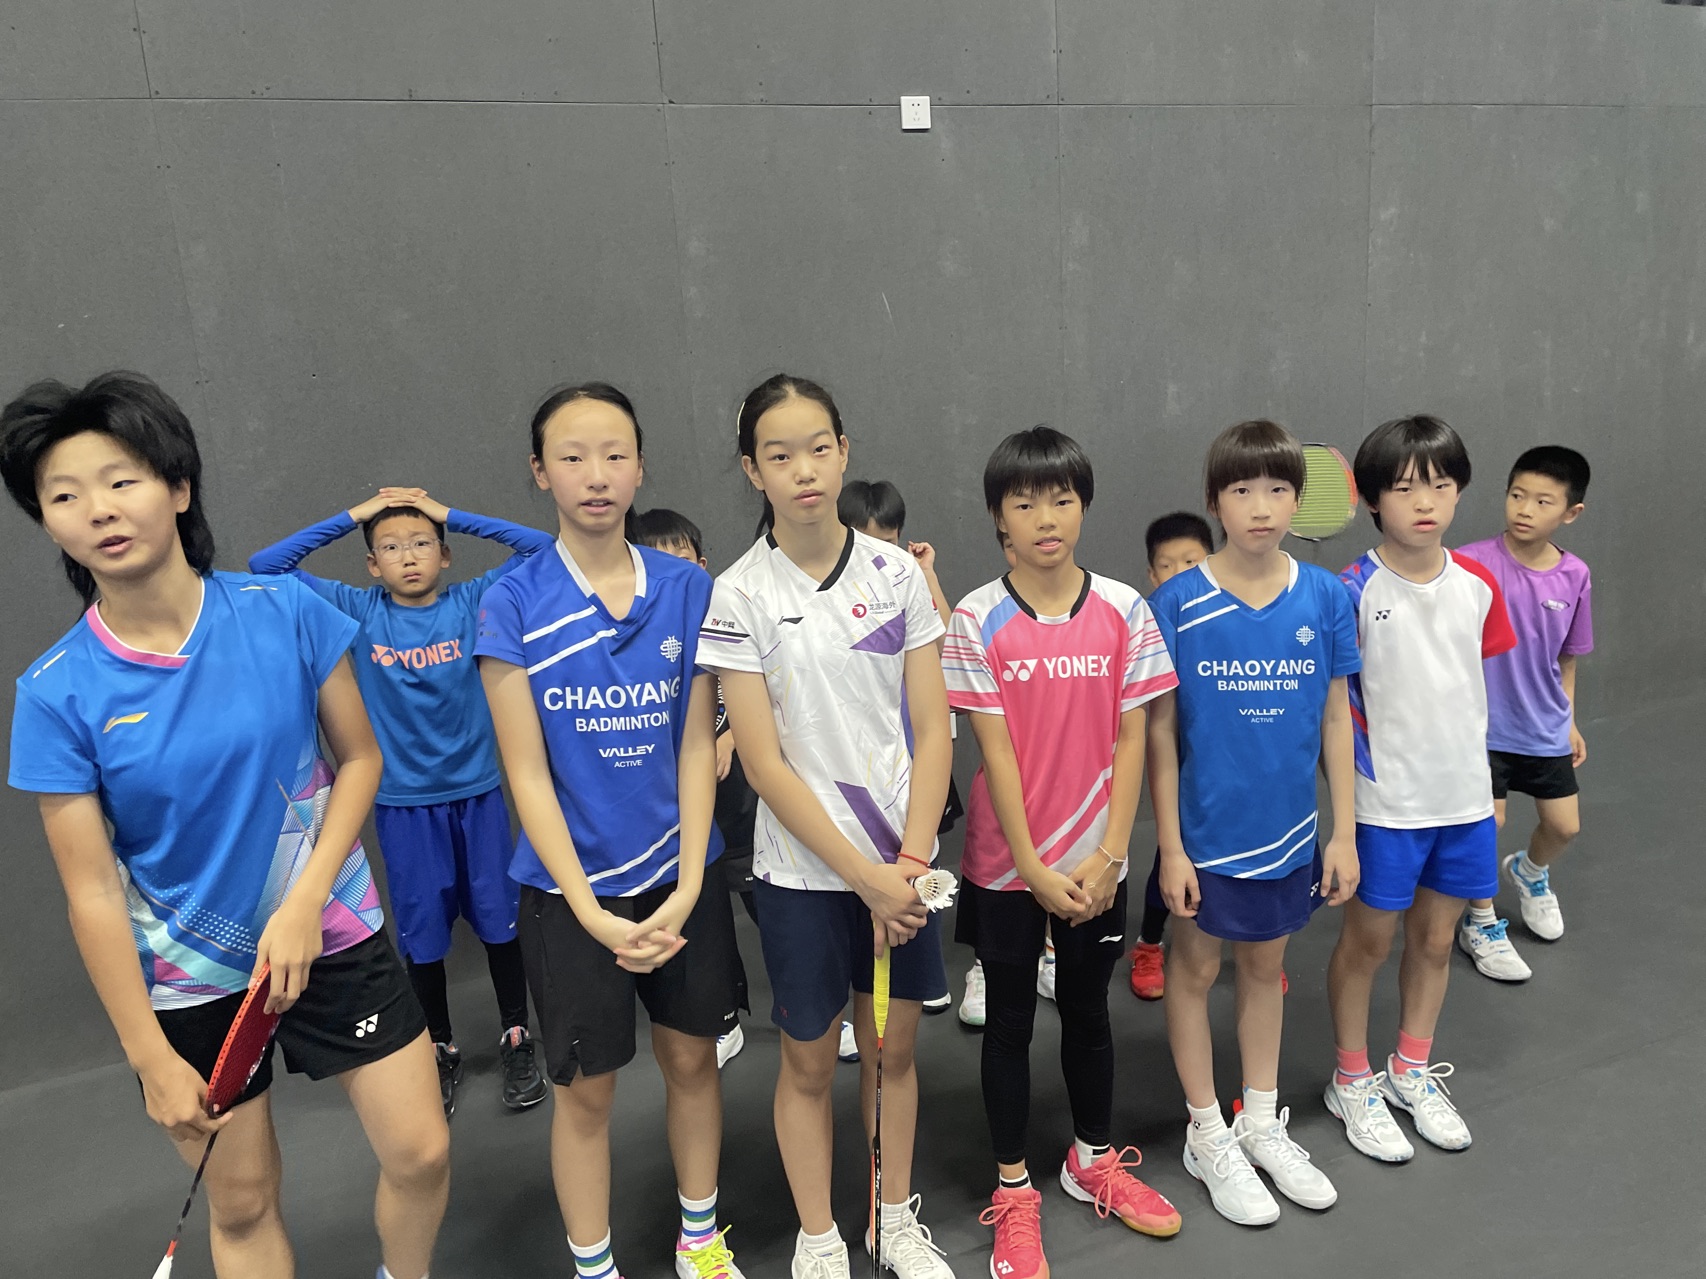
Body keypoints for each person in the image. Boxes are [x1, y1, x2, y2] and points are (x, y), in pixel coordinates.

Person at [3, 372, 447, 1279]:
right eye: (65, 495)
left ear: (177, 486)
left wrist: (306, 901)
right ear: (46, 522)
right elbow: (91, 891)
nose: (99, 508)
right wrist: (148, 1057)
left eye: (121, 479)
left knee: (422, 1152)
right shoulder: (56, 693)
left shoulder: (285, 612)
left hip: (328, 928)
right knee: (241, 1201)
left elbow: (361, 760)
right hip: (192, 976)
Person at [477, 384, 747, 1279]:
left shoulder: (688, 588)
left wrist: (691, 883)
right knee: (585, 1096)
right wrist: (592, 912)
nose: (595, 475)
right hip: (570, 896)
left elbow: (696, 743)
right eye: (572, 456)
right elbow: (525, 772)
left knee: (694, 1064)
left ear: (640, 467)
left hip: (680, 878)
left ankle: (700, 1239)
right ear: (539, 471)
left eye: (614, 455)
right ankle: (595, 1267)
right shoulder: (511, 602)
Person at [700, 374, 955, 1279]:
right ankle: (819, 1235)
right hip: (804, 877)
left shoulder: (898, 575)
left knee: (894, 1052)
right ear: (753, 470)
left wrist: (909, 864)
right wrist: (867, 877)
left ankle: (894, 1217)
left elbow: (933, 727)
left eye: (818, 448)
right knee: (809, 1063)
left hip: (903, 868)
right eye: (780, 455)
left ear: (844, 451)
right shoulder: (738, 593)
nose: (803, 470)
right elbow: (765, 764)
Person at [943, 426, 1183, 1279]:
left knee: (1088, 1011)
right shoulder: (976, 617)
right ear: (998, 517)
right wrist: (1033, 867)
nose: (1046, 517)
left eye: (1062, 498)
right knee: (1009, 1021)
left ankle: (1092, 1160)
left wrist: (1113, 853)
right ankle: (1013, 1190)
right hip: (1010, 865)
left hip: (1095, 862)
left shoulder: (1124, 609)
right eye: (1025, 502)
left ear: (1083, 506)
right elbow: (995, 754)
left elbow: (1133, 736)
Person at [249, 487, 555, 1115]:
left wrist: (449, 515)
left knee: (501, 923)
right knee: (423, 937)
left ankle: (516, 1035)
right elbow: (266, 566)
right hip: (405, 807)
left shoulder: (472, 602)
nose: (408, 556)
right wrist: (354, 516)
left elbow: (543, 549)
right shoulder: (358, 611)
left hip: (478, 797)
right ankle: (438, 1046)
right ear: (371, 564)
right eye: (390, 547)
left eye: (421, 543)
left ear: (445, 554)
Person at [1146, 422, 1360, 1227]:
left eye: (1277, 489)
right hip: (1206, 836)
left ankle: (1261, 1121)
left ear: (1299, 501)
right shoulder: (1178, 602)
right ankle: (1207, 1131)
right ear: (1216, 502)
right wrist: (1169, 846)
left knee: (1266, 969)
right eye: (1242, 490)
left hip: (1290, 832)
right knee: (1194, 970)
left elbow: (1336, 718)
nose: (1261, 507)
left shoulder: (1326, 596)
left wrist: (1343, 832)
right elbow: (1160, 733)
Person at [1324, 415, 1516, 1163]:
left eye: (1439, 483)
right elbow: (1334, 711)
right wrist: (1345, 818)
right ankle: (1351, 1078)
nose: (1425, 501)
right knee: (1369, 941)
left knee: (1437, 940)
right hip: (1386, 805)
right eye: (1404, 488)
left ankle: (1410, 1068)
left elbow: (1478, 689)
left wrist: (1493, 785)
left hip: (1463, 801)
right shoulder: (1351, 590)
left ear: (1460, 490)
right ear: (1373, 500)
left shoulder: (1478, 585)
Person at [629, 506, 768, 1070]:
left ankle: (825, 1006)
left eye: (680, 557)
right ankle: (724, 1021)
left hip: (738, 807)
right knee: (708, 927)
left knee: (771, 911)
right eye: (654, 558)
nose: (670, 569)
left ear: (703, 565)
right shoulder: (633, 633)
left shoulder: (726, 614)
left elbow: (769, 692)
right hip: (682, 816)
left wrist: (730, 735)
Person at [1454, 447, 1592, 981]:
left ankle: (1530, 872)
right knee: (1488, 825)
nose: (1525, 509)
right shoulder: (1469, 563)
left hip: (1543, 727)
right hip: (1481, 729)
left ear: (1570, 513)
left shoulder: (1574, 576)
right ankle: (1480, 921)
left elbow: (1567, 658)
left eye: (1542, 501)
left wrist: (1569, 720)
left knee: (1563, 826)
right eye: (1517, 495)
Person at [838, 478, 965, 1017]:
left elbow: (951, 651)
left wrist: (927, 574)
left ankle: (922, 965)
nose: (877, 552)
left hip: (914, 767)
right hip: (852, 777)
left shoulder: (908, 584)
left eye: (889, 541)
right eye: (865, 539)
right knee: (857, 883)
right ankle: (859, 993)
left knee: (918, 861)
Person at [1127, 511, 1214, 1001]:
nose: (1179, 574)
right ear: (1151, 575)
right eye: (1167, 565)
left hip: (1227, 761)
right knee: (1173, 850)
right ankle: (1149, 943)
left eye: (1191, 562)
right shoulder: (1149, 622)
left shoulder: (1232, 617)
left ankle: (1255, 951)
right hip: (1177, 757)